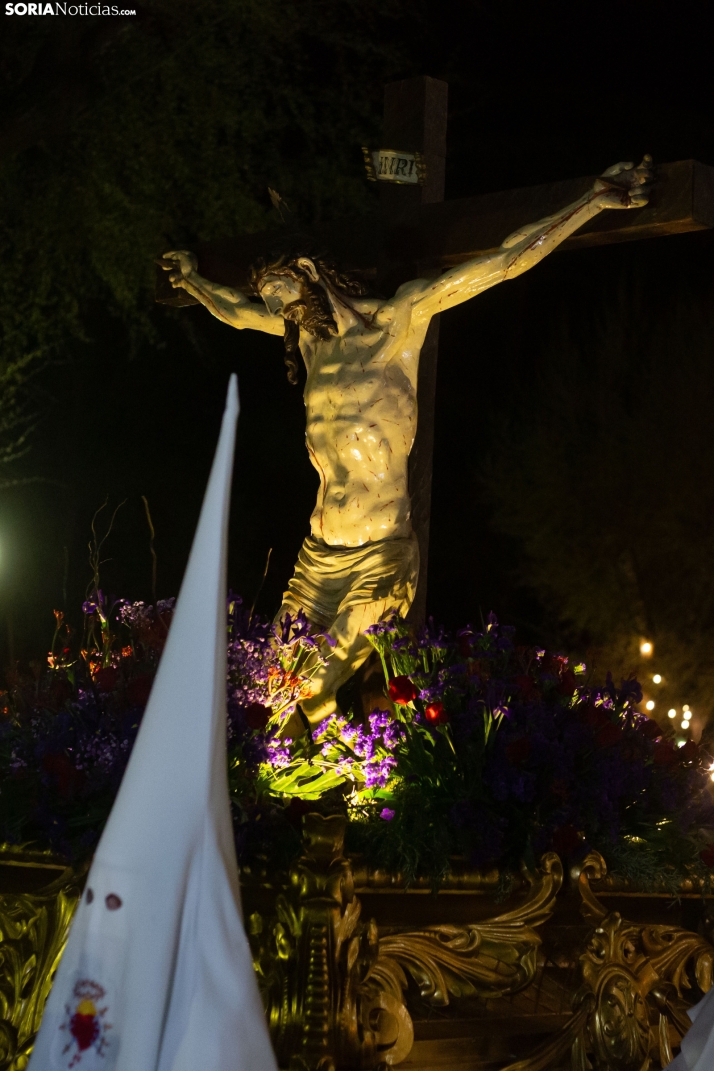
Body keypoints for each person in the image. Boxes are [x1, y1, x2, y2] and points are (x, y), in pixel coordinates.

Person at [162, 155, 652, 723]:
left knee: (311, 689)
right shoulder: (311, 343)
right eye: (271, 299)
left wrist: (591, 202)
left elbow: (503, 263)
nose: (276, 308)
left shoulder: (398, 322)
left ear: (308, 270)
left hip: (380, 556)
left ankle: (341, 764)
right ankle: (291, 770)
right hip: (317, 558)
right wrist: (192, 281)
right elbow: (239, 314)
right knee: (268, 685)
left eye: (280, 291)